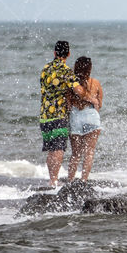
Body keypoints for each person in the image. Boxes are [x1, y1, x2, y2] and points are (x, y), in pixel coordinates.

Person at [38, 41, 91, 187]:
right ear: (68, 54)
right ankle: (54, 180)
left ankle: (51, 179)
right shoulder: (66, 71)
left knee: (51, 149)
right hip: (59, 114)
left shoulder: (45, 69)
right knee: (58, 148)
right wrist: (91, 97)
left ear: (54, 53)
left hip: (44, 115)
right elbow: (79, 91)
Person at [67, 56, 104, 182]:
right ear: (90, 69)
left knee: (76, 154)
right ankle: (83, 181)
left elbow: (67, 105)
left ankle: (70, 181)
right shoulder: (96, 83)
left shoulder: (71, 84)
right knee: (89, 153)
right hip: (92, 117)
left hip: (75, 118)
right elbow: (99, 103)